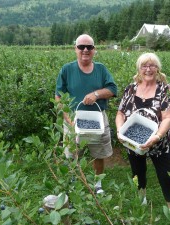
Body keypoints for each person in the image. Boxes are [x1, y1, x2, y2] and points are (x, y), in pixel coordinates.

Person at [55, 34, 117, 194]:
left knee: (98, 153)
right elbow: (58, 96)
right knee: (71, 155)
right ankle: (73, 181)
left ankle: (98, 185)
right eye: (81, 47)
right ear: (75, 49)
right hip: (74, 119)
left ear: (94, 50)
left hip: (97, 118)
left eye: (89, 47)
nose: (85, 50)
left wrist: (96, 94)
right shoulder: (67, 69)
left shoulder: (101, 69)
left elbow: (112, 89)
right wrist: (67, 118)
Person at [115, 52, 170, 208]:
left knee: (166, 176)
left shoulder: (165, 89)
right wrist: (119, 131)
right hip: (133, 142)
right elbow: (120, 113)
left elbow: (168, 117)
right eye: (144, 66)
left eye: (152, 65)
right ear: (139, 69)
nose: (148, 69)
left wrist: (157, 136)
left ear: (157, 68)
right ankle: (141, 199)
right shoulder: (130, 89)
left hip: (159, 143)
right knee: (138, 173)